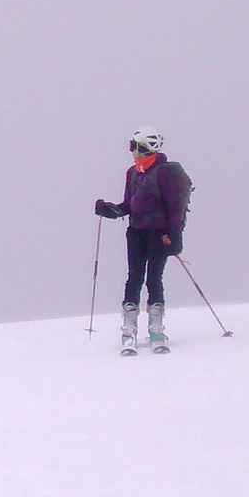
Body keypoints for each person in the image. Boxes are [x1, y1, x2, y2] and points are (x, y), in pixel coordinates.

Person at [94, 127, 191, 353]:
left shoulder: (164, 173)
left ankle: (156, 329)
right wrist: (112, 210)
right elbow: (130, 204)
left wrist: (175, 234)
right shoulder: (133, 172)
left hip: (159, 234)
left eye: (134, 146)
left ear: (146, 148)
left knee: (154, 278)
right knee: (134, 277)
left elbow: (175, 207)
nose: (132, 151)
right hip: (136, 233)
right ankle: (129, 329)